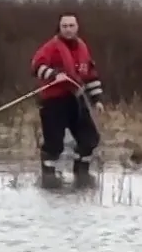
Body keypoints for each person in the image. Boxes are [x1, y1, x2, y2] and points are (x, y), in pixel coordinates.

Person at [30, 13, 104, 186]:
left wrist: (97, 99)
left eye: (71, 26)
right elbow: (36, 66)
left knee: (90, 139)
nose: (68, 29)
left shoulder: (82, 47)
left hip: (76, 100)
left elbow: (91, 76)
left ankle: (82, 175)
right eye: (65, 26)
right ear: (60, 28)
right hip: (54, 101)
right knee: (54, 144)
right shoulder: (51, 47)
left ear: (77, 27)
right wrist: (54, 75)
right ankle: (48, 179)